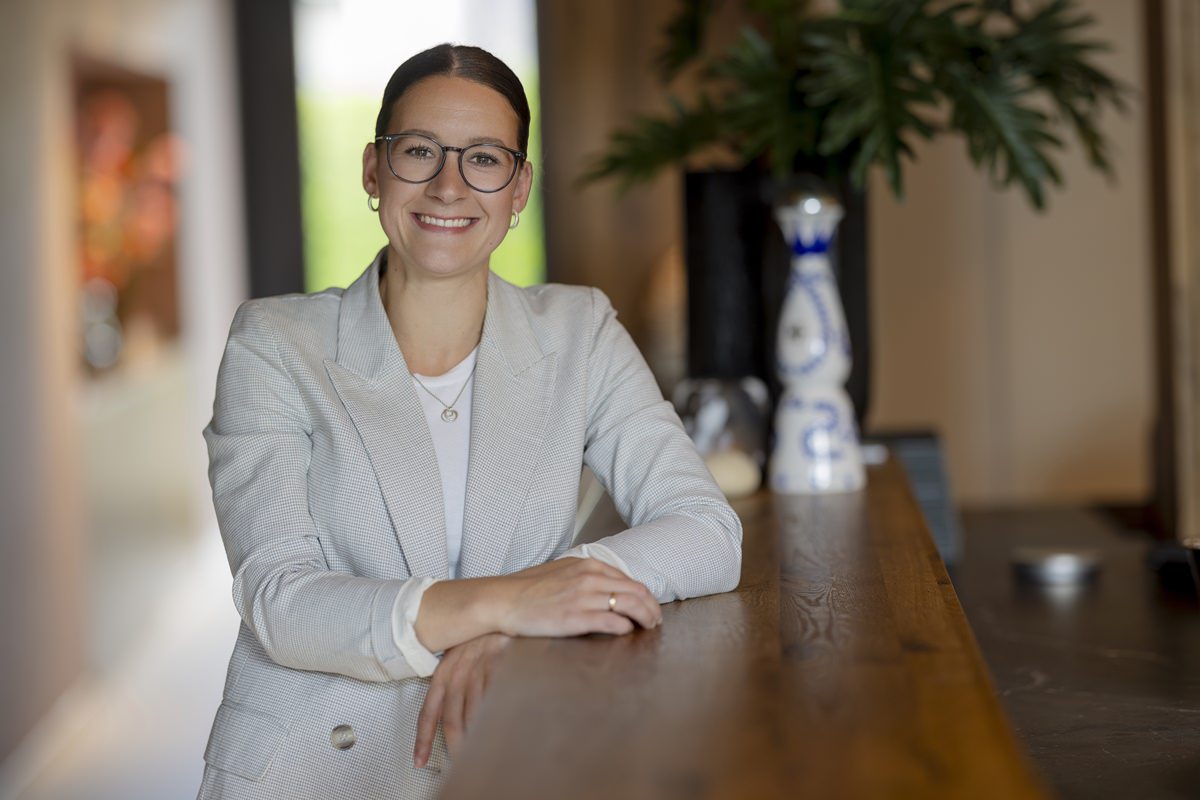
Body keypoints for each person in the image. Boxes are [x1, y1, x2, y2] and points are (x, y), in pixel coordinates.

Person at [197, 43, 742, 800]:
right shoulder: (274, 345)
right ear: (373, 170)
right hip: (314, 767)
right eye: (419, 151)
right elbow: (281, 601)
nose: (449, 185)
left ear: (519, 189)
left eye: (484, 158)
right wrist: (508, 604)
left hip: (513, 748)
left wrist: (513, 624)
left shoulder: (580, 332)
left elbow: (707, 532)